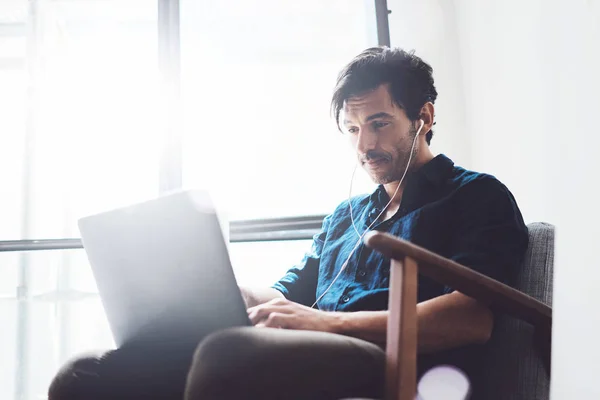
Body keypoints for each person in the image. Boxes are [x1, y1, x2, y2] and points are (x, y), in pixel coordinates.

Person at [49, 47, 528, 400]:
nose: (364, 145)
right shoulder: (346, 216)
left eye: (380, 123)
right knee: (84, 375)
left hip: (400, 365)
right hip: (315, 349)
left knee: (229, 356)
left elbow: (472, 318)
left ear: (423, 117)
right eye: (353, 129)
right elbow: (289, 296)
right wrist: (214, 291)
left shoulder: (475, 195)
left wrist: (327, 324)